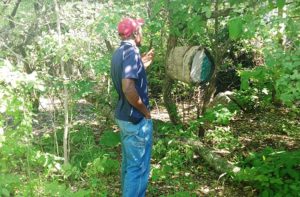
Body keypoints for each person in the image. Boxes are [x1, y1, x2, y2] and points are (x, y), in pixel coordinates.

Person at [110, 17, 154, 197]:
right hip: (136, 120)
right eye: (140, 30)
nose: (142, 33)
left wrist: (142, 63)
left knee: (129, 165)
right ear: (135, 33)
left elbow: (128, 75)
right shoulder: (131, 54)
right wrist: (146, 113)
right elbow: (128, 87)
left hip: (124, 117)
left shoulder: (120, 52)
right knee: (139, 168)